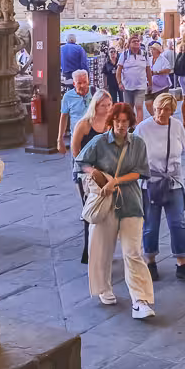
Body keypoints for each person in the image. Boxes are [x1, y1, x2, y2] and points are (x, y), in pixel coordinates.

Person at [76, 102, 155, 319]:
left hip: (130, 201)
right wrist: (97, 174)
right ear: (112, 122)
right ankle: (104, 288)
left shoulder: (138, 143)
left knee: (133, 253)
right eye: (117, 121)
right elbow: (80, 162)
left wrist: (116, 181)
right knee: (103, 250)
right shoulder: (99, 142)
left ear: (131, 122)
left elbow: (140, 171)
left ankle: (140, 300)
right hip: (106, 202)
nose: (121, 126)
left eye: (125, 121)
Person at [135, 93, 185, 283]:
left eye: (166, 109)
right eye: (158, 109)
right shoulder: (142, 128)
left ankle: (182, 263)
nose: (161, 113)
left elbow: (182, 152)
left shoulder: (177, 126)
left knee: (178, 223)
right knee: (151, 225)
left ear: (172, 110)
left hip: (173, 181)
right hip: (151, 183)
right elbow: (135, 158)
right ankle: (150, 261)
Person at [71, 90, 113, 265]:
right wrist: (89, 169)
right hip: (85, 170)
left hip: (106, 170)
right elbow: (75, 150)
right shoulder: (84, 124)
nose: (107, 108)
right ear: (95, 105)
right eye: (103, 105)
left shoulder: (111, 123)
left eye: (109, 105)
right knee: (91, 210)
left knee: (107, 212)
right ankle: (89, 252)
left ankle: (104, 249)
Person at [56, 68, 92, 154]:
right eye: (79, 83)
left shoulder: (95, 93)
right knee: (77, 164)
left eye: (85, 82)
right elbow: (63, 117)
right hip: (76, 138)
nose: (83, 85)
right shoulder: (68, 97)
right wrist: (60, 139)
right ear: (74, 84)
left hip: (93, 137)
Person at [116, 39, 150, 118]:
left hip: (141, 86)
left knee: (139, 107)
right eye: (134, 41)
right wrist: (119, 82)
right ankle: (131, 126)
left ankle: (138, 128)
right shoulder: (124, 55)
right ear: (129, 44)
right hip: (127, 87)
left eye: (138, 41)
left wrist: (150, 84)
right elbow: (119, 70)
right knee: (129, 108)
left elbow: (148, 70)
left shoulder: (144, 54)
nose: (136, 42)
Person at [148, 41, 174, 118]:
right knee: (148, 102)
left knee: (160, 102)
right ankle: (155, 116)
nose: (151, 51)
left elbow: (168, 70)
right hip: (152, 85)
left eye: (153, 49)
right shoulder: (149, 59)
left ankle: (162, 116)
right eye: (151, 49)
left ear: (158, 51)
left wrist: (157, 72)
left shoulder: (163, 60)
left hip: (162, 85)